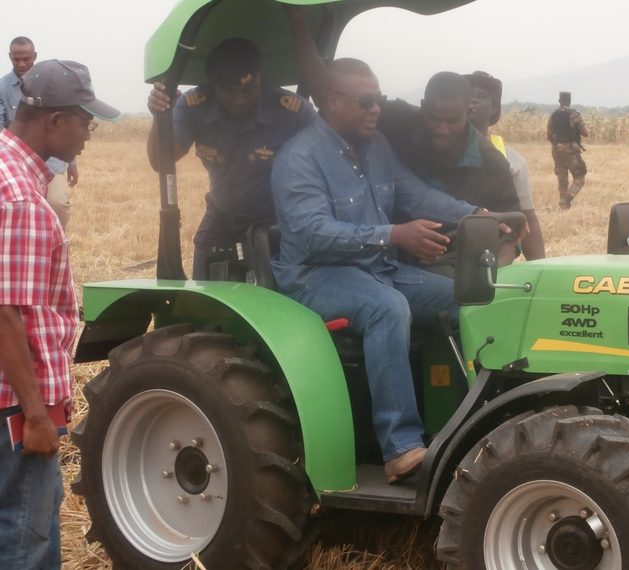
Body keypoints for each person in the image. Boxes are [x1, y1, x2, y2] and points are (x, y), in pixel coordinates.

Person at [271, 58, 482, 483]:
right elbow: (314, 234)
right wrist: (394, 236)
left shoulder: (376, 146)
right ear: (333, 102)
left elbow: (413, 193)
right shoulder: (300, 158)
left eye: (378, 100)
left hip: (376, 269)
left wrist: (475, 214)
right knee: (388, 309)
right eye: (366, 101)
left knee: (469, 299)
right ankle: (401, 449)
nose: (376, 110)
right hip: (315, 276)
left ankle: (469, 430)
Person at [0, 59, 119, 569]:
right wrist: (34, 416)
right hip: (15, 404)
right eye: (85, 121)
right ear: (53, 120)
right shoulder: (24, 199)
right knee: (27, 538)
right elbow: (6, 313)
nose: (88, 134)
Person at [146, 37, 316, 280]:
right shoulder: (194, 105)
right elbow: (160, 162)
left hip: (278, 219)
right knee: (204, 294)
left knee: (278, 296)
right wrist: (160, 115)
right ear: (214, 86)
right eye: (230, 92)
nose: (240, 99)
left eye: (249, 89)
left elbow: (325, 164)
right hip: (222, 214)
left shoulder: (291, 111)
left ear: (260, 79)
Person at [377, 72, 521, 274]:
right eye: (433, 119)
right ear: (423, 107)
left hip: (449, 265)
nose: (441, 129)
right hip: (382, 253)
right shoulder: (397, 121)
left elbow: (509, 239)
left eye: (452, 121)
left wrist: (481, 279)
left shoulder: (492, 164)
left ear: (467, 112)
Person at [465, 70, 546, 260]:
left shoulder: (512, 160)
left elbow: (527, 218)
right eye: (467, 95)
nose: (472, 101)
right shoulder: (439, 150)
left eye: (481, 96)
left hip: (498, 247)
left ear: (494, 108)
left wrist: (541, 269)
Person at [0, 37, 79, 228]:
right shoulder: (2, 88)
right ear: (10, 57)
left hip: (52, 161)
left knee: (57, 203)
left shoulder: (52, 84)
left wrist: (72, 163)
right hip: (17, 163)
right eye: (16, 59)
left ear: (35, 56)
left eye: (26, 58)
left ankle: (56, 243)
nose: (22, 64)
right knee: (18, 208)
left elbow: (66, 126)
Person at [547, 91, 588, 209]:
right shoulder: (574, 114)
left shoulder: (553, 115)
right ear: (570, 101)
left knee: (562, 179)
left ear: (559, 101)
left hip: (556, 150)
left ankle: (563, 206)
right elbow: (585, 133)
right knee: (579, 178)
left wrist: (558, 144)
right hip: (570, 150)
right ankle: (566, 199)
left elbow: (549, 135)